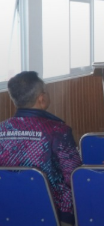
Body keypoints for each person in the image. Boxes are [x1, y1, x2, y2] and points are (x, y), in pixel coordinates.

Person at [0, 71, 82, 225]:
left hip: (6, 210)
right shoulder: (57, 130)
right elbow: (74, 176)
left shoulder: (1, 129)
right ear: (41, 98)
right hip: (53, 213)